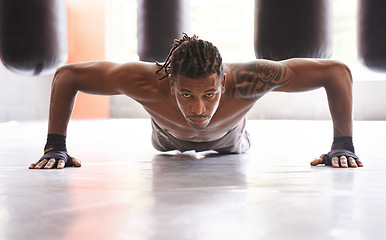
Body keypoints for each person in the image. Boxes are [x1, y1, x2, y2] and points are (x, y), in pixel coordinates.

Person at [29, 34, 363, 170]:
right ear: (170, 82)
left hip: (231, 137)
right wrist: (54, 146)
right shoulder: (145, 80)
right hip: (165, 137)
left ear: (223, 81)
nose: (198, 109)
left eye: (209, 94)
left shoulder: (249, 80)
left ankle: (235, 128)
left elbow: (336, 72)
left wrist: (343, 144)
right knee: (167, 141)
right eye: (186, 94)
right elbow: (68, 75)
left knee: (233, 136)